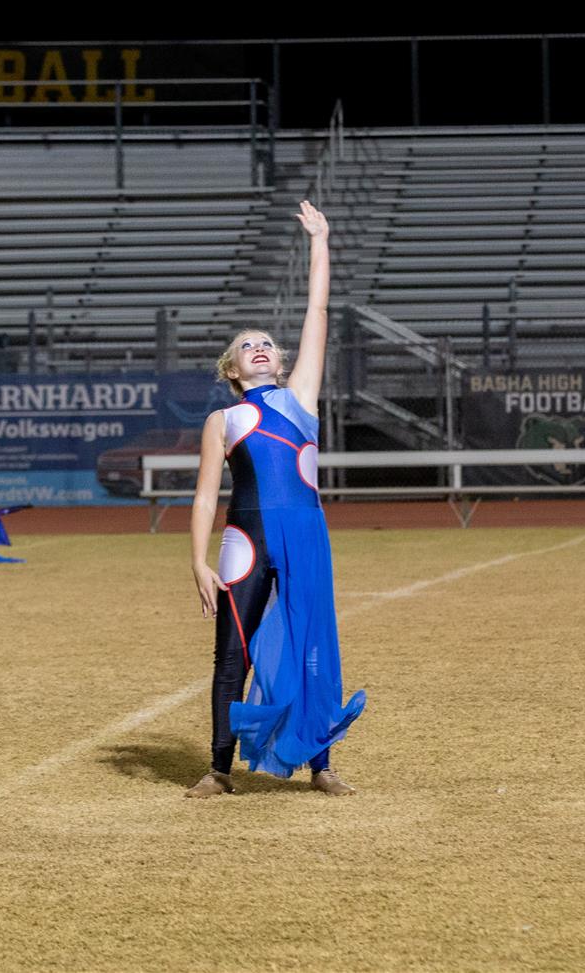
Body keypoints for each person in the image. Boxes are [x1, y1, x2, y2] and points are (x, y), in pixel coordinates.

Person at [187, 199, 365, 797]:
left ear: (282, 361)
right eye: (247, 346)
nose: (260, 347)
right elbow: (206, 495)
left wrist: (321, 240)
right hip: (246, 537)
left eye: (267, 343)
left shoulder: (301, 399)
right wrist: (196, 561)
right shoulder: (223, 418)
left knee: (314, 645)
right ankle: (218, 769)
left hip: (307, 532)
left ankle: (322, 766)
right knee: (231, 653)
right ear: (232, 370)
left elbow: (317, 309)